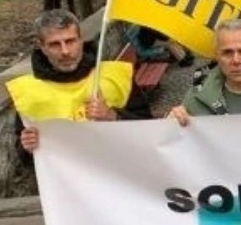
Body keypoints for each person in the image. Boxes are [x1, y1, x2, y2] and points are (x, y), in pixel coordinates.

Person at [13, 9, 150, 155]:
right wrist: (27, 147)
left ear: (81, 40)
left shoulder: (115, 77)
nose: (65, 51)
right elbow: (24, 153)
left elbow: (148, 127)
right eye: (55, 44)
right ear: (42, 47)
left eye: (70, 41)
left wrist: (113, 116)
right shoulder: (29, 92)